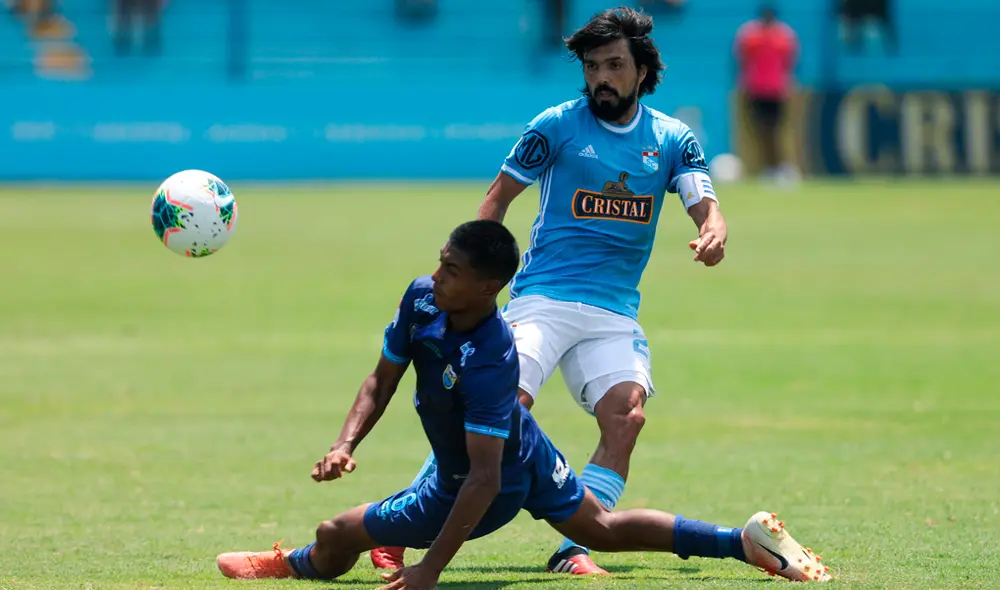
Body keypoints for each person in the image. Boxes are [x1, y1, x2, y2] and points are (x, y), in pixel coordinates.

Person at [216, 221, 833, 588]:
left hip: (480, 481)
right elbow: (381, 380)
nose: (437, 275)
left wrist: (431, 569)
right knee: (600, 529)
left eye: (452, 270)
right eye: (440, 261)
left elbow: (483, 480)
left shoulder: (491, 357)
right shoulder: (422, 300)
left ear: (488, 288)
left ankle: (295, 564)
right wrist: (344, 443)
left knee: (335, 533)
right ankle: (740, 542)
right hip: (526, 446)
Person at [372, 5, 729, 576]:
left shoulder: (670, 138)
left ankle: (574, 547)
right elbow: (497, 198)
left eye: (614, 66)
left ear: (641, 71)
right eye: (592, 67)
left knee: (627, 417)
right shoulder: (557, 125)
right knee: (500, 408)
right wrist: (478, 280)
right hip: (543, 297)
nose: (601, 78)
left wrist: (712, 231)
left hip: (613, 311)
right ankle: (398, 528)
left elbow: (705, 204)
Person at [734, 4, 799, 181]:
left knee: (775, 130)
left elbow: (789, 63)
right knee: (762, 130)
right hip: (758, 89)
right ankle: (770, 167)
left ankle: (780, 166)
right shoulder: (753, 35)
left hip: (775, 90)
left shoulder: (781, 36)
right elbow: (743, 61)